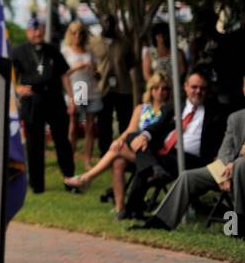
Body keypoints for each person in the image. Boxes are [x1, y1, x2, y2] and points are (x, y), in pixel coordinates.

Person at [143, 72, 245, 241]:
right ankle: (161, 221)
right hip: (229, 169)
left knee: (242, 166)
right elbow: (225, 150)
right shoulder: (236, 117)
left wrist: (238, 164)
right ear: (244, 91)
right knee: (189, 176)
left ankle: (239, 230)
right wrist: (221, 172)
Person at [121, 68, 226, 219]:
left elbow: (217, 144)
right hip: (166, 153)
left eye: (202, 88)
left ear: (207, 90)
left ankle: (131, 210)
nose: (198, 91)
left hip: (192, 159)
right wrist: (144, 136)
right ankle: (154, 169)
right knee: (134, 137)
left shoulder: (216, 113)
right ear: (185, 87)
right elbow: (156, 126)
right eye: (194, 87)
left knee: (143, 164)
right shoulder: (174, 107)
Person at [63, 74, 171, 216]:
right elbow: (130, 131)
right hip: (136, 152)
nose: (160, 92)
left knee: (118, 150)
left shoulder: (170, 110)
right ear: (150, 90)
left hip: (154, 157)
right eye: (156, 88)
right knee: (118, 161)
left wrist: (119, 144)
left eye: (164, 89)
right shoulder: (141, 109)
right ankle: (120, 207)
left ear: (169, 91)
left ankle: (86, 178)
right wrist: (118, 140)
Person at [10, 15, 76, 193]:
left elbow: (64, 74)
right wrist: (18, 88)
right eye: (33, 29)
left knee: (62, 141)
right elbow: (9, 76)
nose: (37, 33)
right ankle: (37, 184)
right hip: (33, 101)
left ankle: (69, 179)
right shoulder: (18, 51)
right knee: (34, 144)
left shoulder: (52, 49)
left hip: (54, 99)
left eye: (40, 29)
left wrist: (71, 98)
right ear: (27, 32)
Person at [94, 14, 137, 154]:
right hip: (102, 88)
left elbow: (132, 62)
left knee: (125, 120)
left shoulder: (124, 43)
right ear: (101, 24)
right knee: (103, 122)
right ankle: (104, 152)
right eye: (106, 22)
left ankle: (126, 149)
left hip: (123, 88)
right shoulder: (94, 43)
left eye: (112, 23)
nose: (109, 26)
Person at [61, 20, 101, 163]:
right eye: (74, 32)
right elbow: (62, 74)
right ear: (70, 34)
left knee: (90, 128)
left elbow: (98, 73)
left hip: (90, 89)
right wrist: (77, 67)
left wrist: (95, 71)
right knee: (73, 128)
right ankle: (69, 160)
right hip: (76, 90)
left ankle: (87, 161)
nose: (77, 35)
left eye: (81, 32)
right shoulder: (65, 51)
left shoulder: (89, 51)